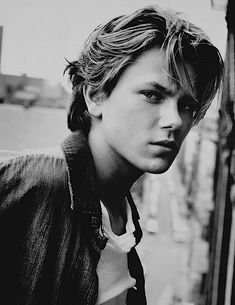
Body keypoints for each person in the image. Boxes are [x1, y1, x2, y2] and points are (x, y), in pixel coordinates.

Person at [0, 5, 224, 305]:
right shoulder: (32, 183)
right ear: (96, 95)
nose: (175, 120)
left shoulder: (125, 221)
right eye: (152, 95)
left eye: (187, 105)